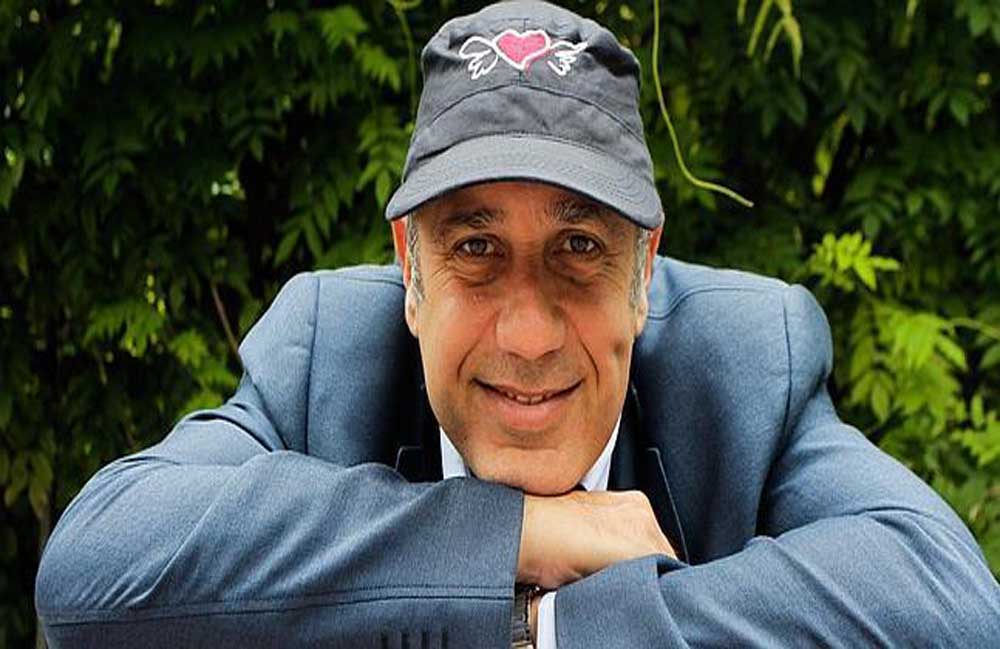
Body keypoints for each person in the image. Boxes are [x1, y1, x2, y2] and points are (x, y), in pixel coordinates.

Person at [35, 2, 1000, 647]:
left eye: (579, 247)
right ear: (410, 268)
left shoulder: (745, 361)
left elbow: (947, 602)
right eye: (475, 248)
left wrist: (554, 631)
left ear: (645, 271)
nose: (529, 334)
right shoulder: (329, 352)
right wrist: (518, 536)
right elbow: (95, 570)